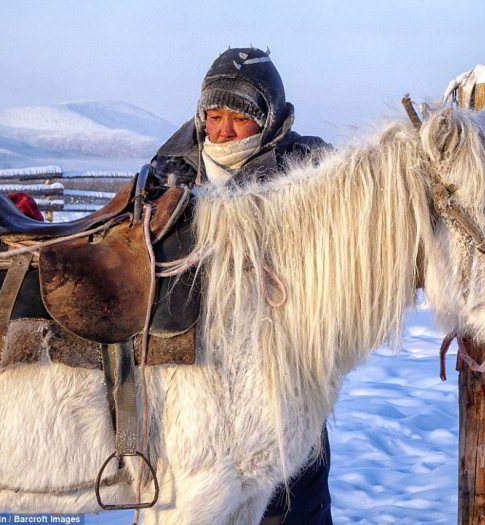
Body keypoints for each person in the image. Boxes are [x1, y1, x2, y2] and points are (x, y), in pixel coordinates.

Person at [150, 47, 333, 525]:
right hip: (195, 392)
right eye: (214, 116)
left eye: (240, 118)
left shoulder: (311, 169)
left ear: (269, 120)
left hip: (285, 381)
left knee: (294, 505)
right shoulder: (168, 172)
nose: (223, 131)